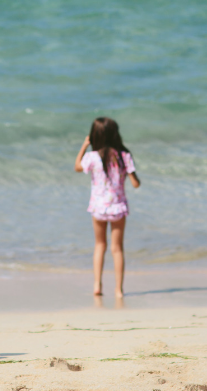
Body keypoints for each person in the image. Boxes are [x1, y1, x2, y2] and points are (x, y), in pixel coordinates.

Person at [74, 117, 140, 298]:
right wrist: (132, 175)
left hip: (99, 208)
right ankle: (118, 290)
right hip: (118, 208)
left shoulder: (92, 157)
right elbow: (136, 184)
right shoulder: (123, 156)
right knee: (117, 248)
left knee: (100, 245)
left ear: (94, 135)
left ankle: (97, 285)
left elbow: (77, 167)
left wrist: (84, 145)